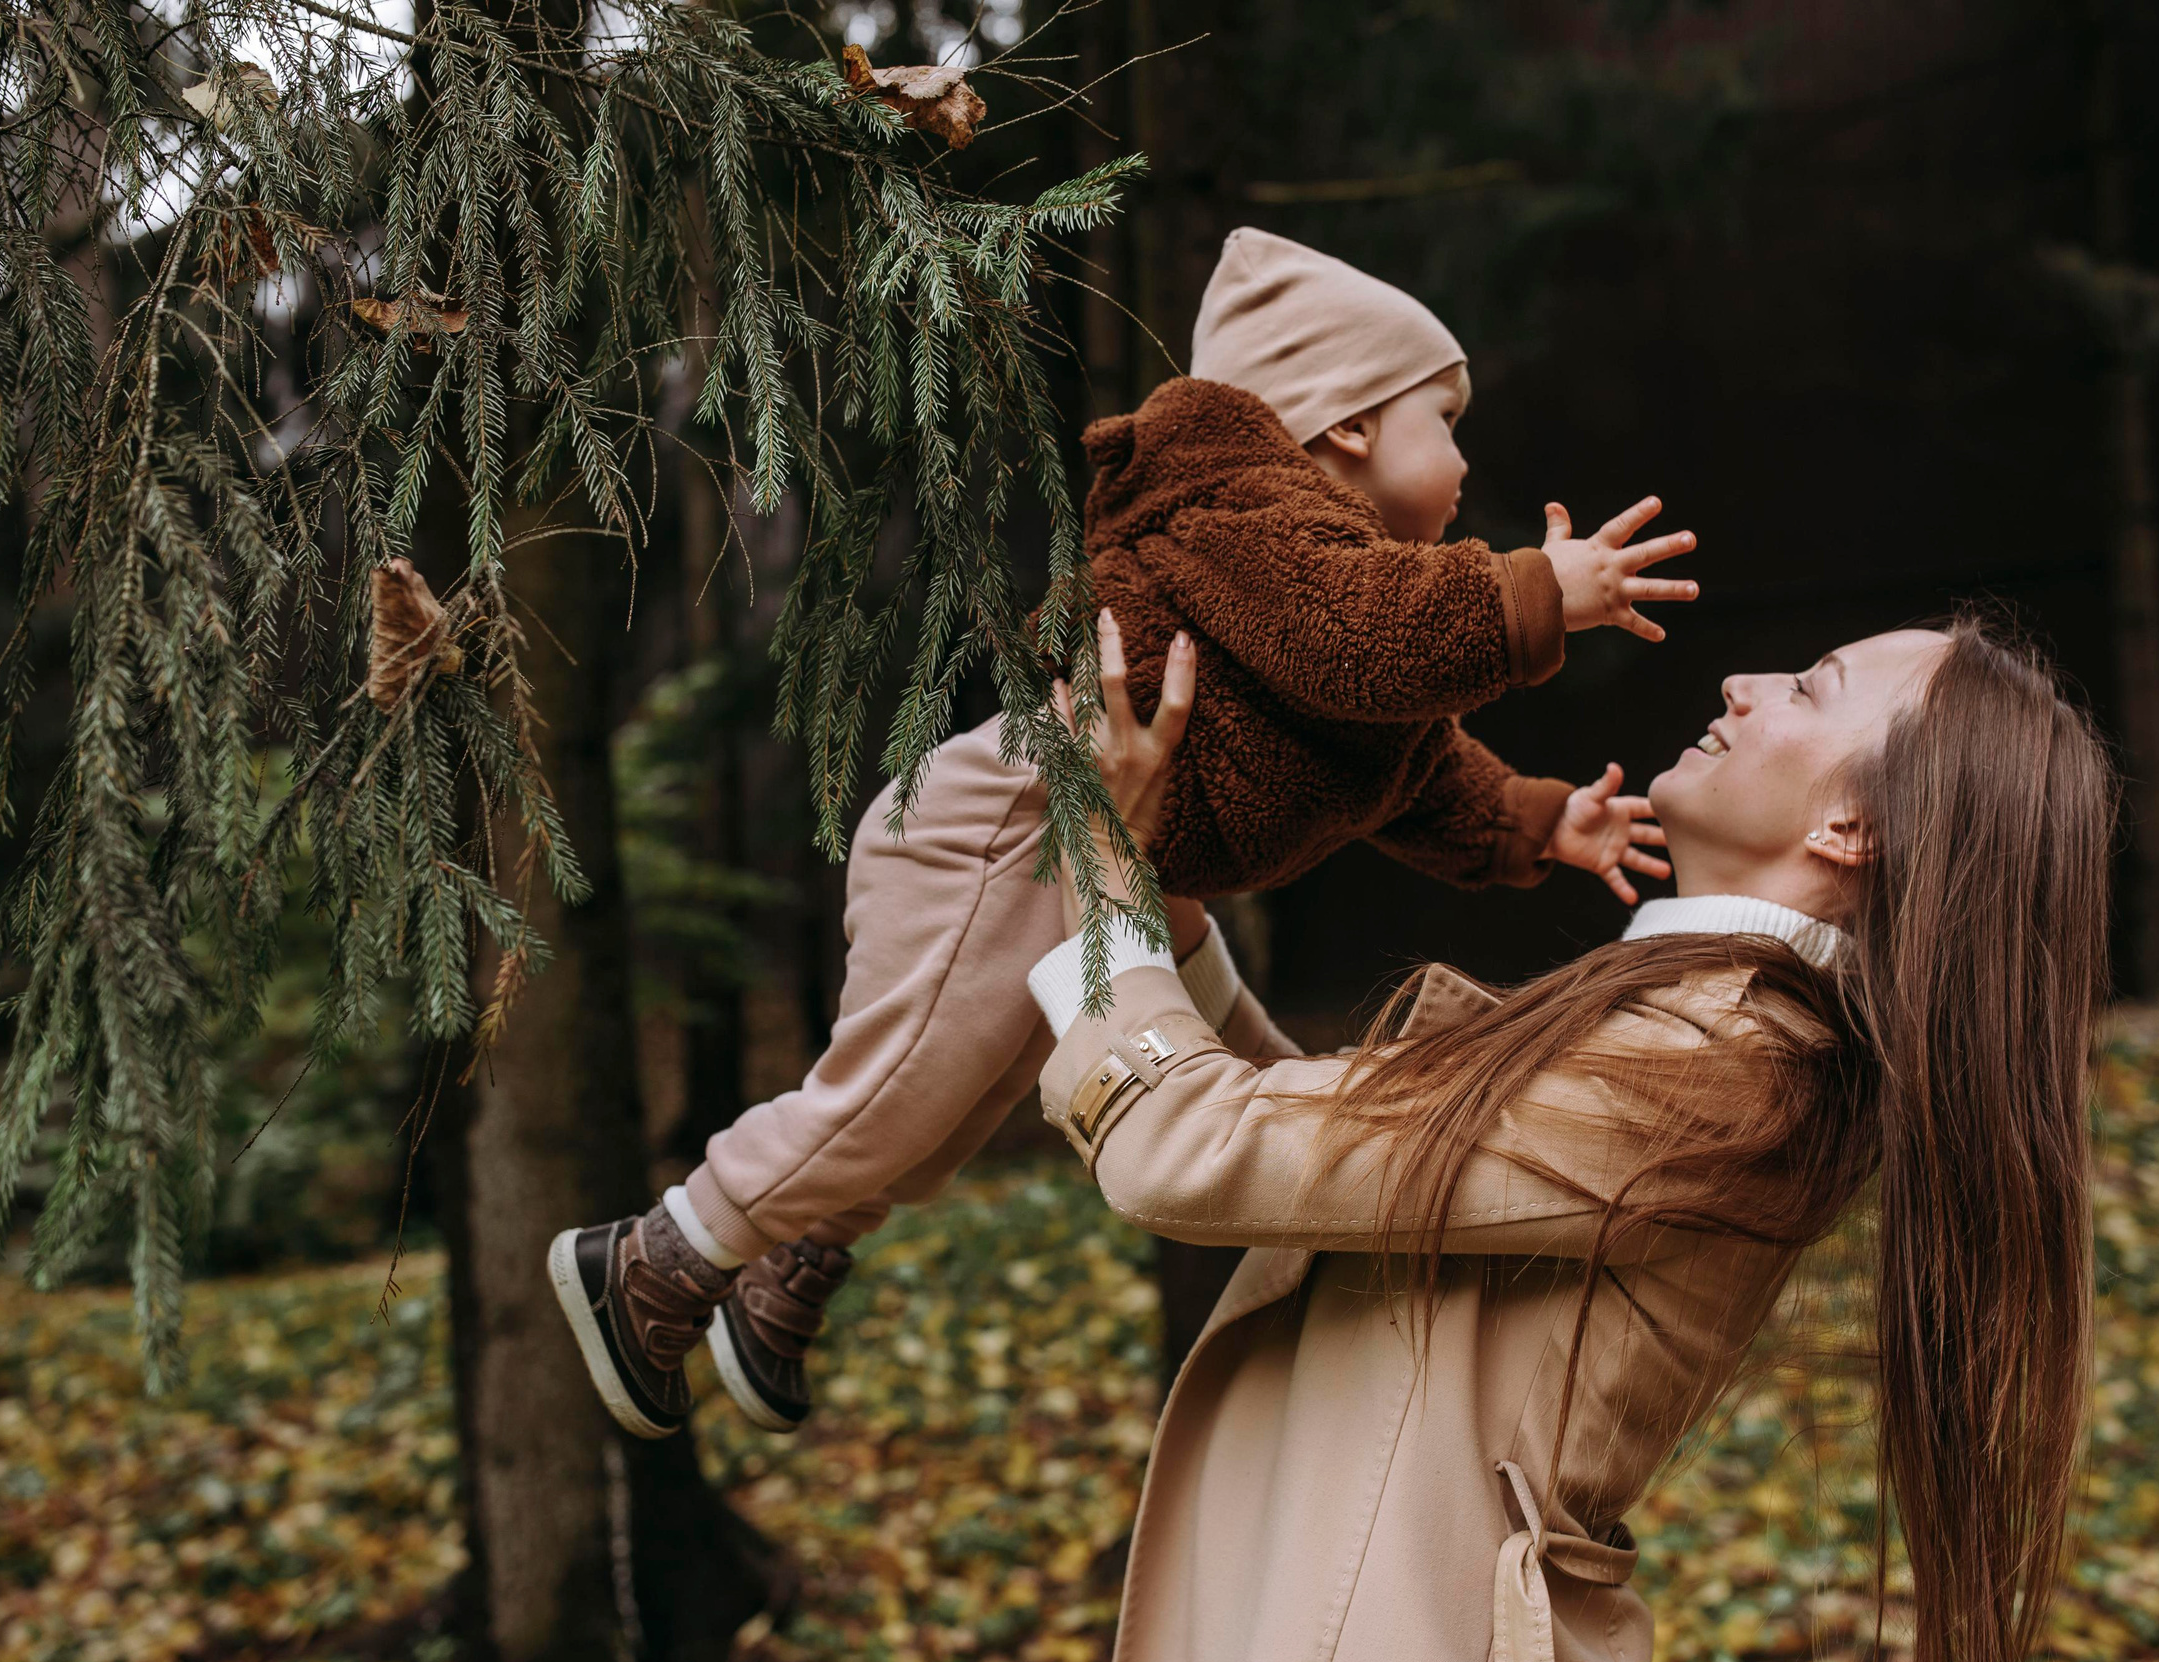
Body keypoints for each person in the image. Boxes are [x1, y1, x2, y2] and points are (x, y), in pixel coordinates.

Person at [547, 228, 1703, 1440]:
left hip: (1106, 856)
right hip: (1009, 819)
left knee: (944, 1114)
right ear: (1349, 424)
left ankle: (792, 1265)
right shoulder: (1247, 518)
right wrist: (1530, 595)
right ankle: (654, 1258)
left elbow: (1406, 764)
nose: (1464, 454)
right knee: (895, 1092)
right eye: (1444, 416)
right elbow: (1364, 635)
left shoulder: (1338, 599)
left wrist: (1534, 819)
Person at [1028, 614, 2115, 1662]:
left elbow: (1191, 1146)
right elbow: (1338, 1162)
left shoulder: (1717, 1064)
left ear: (1850, 827)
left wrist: (1103, 869)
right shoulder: (1711, 1034)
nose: (1743, 681)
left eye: (1810, 685)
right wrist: (1165, 919)